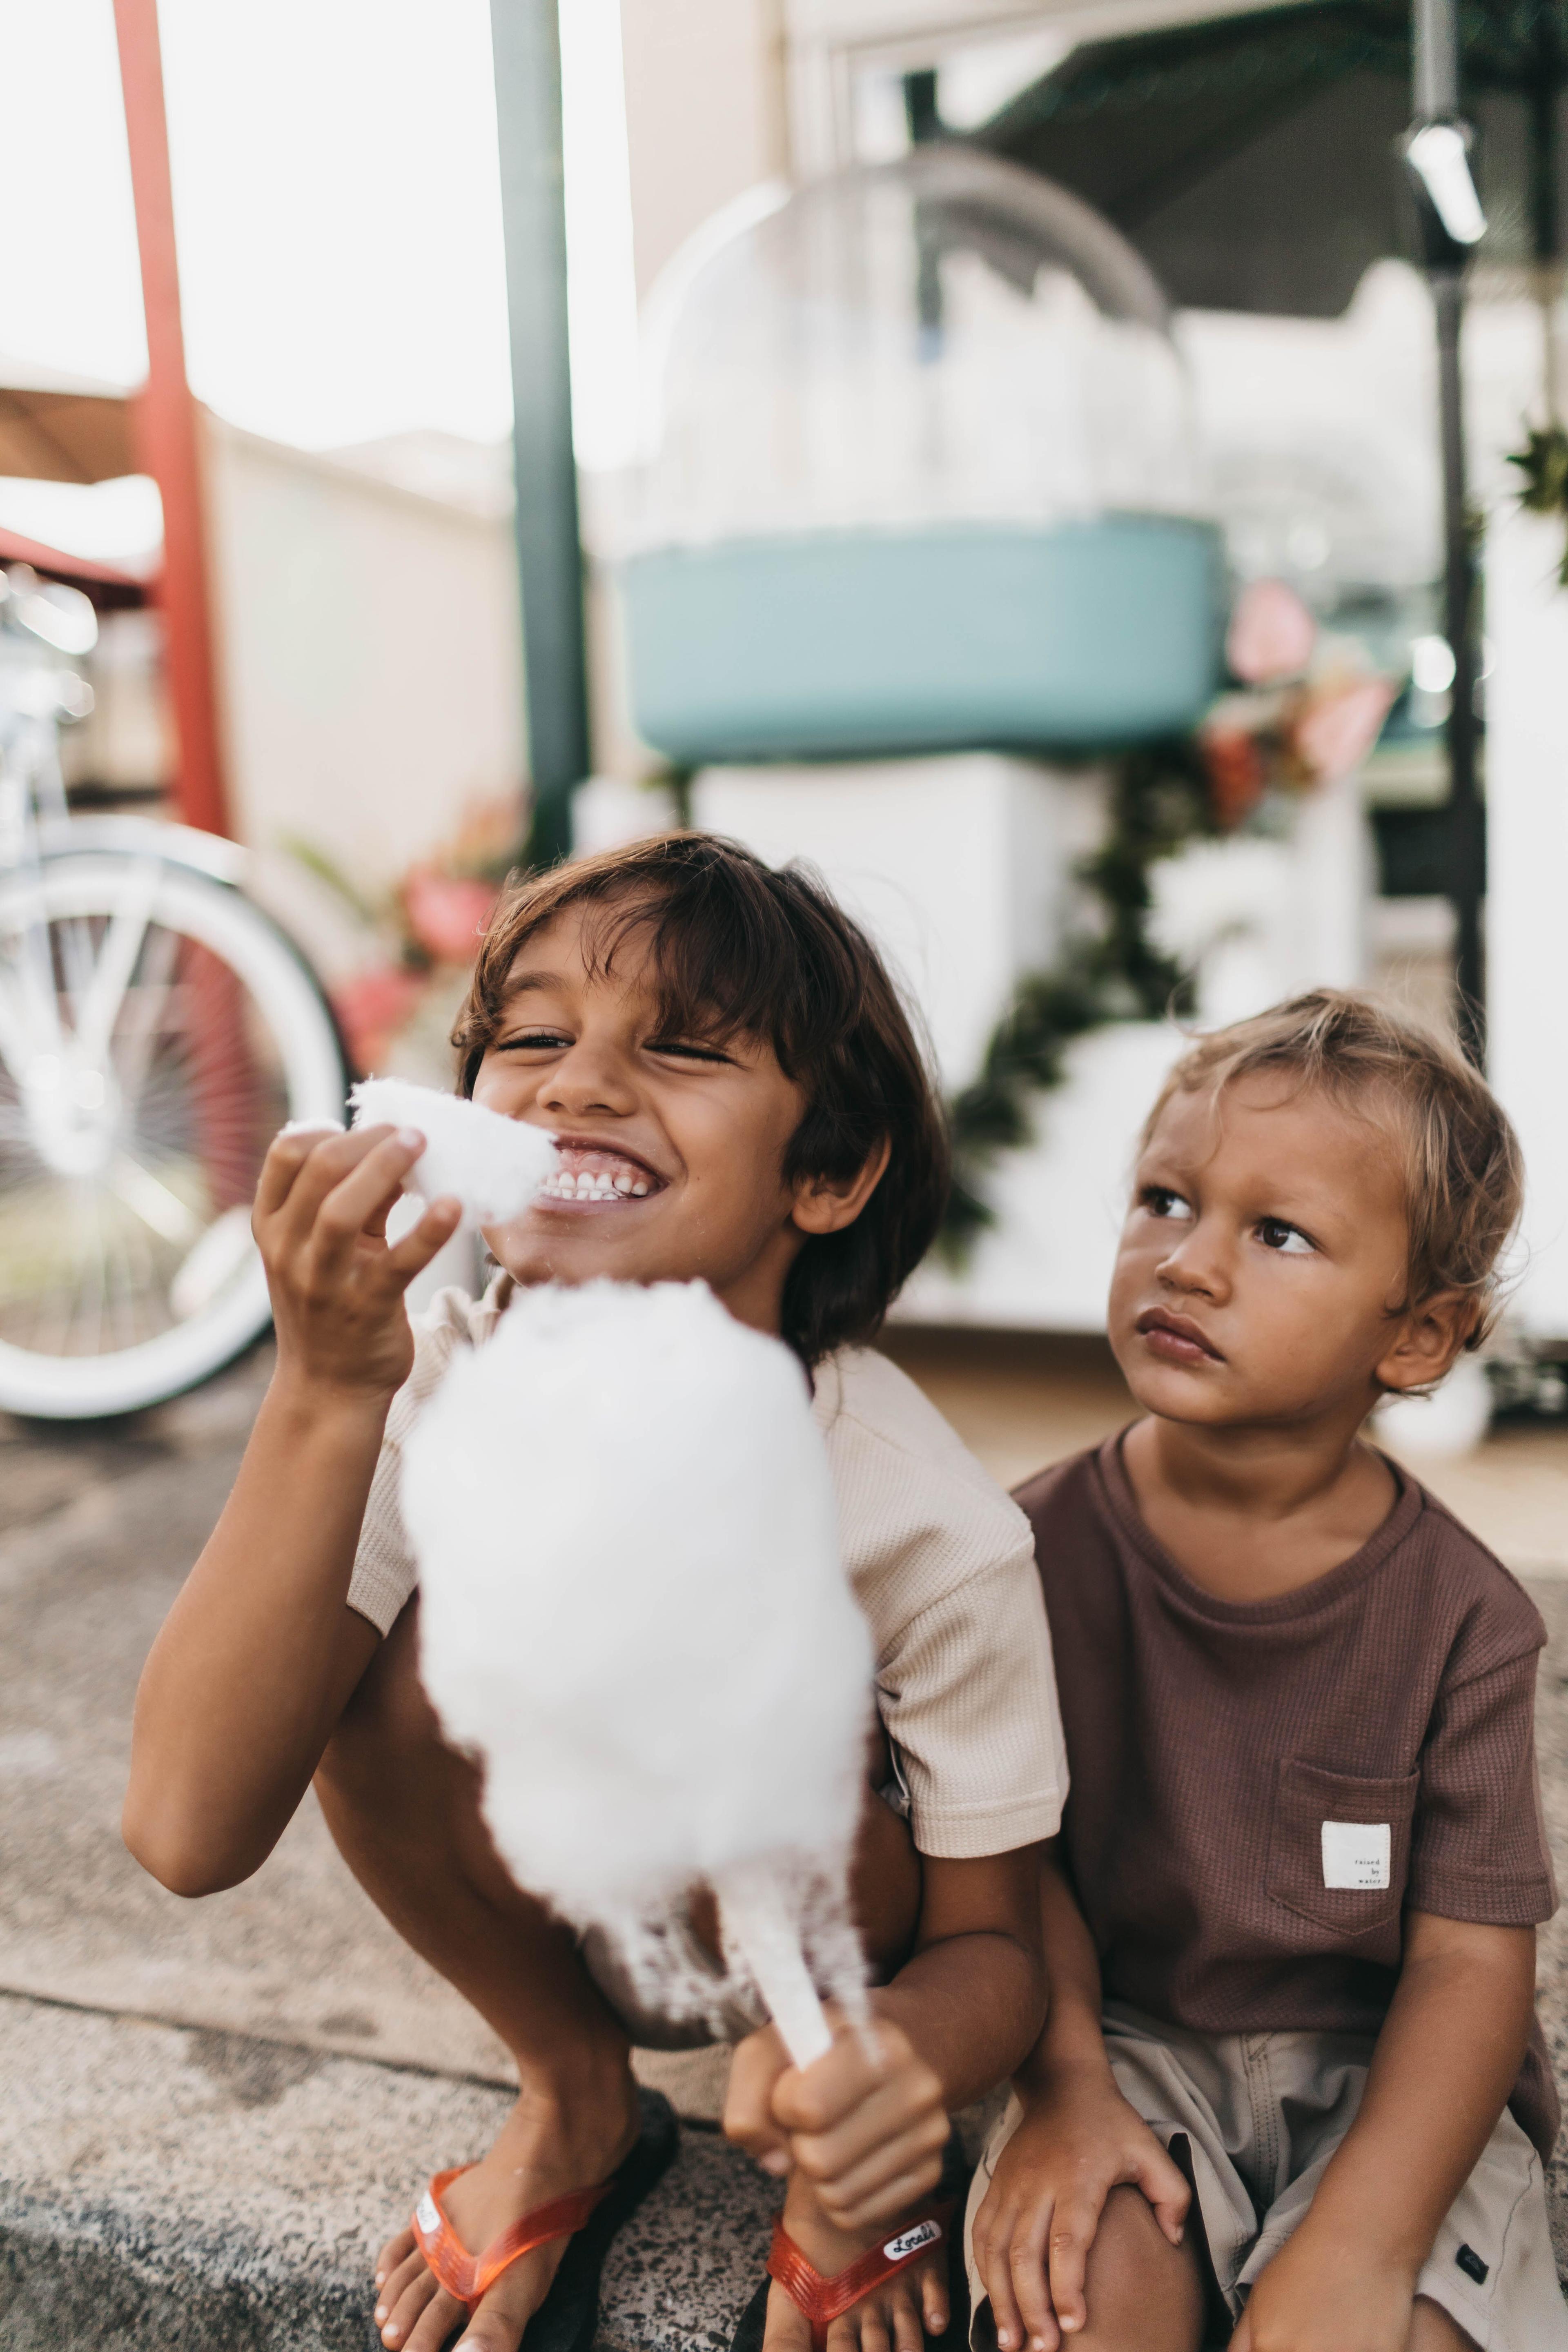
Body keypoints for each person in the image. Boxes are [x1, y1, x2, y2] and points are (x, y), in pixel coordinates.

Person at [124, 835, 1067, 2352]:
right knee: (391, 1636)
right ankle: (571, 2093)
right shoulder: (430, 1394)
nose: (574, 1086)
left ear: (823, 1172)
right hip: (555, 1912)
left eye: (681, 1050)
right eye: (533, 1039)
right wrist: (320, 1396)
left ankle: (832, 2175)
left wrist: (884, 2082)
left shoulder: (922, 1525)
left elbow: (998, 1952)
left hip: (825, 1961)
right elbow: (184, 1829)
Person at [968, 991, 1566, 2352]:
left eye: (1277, 1233)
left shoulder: (1464, 1619)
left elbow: (1474, 1967)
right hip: (1118, 2047)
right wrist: (1065, 2094)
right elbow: (1011, 1864)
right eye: (1165, 1200)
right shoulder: (1015, 1555)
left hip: (1391, 2083)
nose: (1189, 1262)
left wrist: (1362, 2239)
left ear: (1415, 1335)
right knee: (1078, 2300)